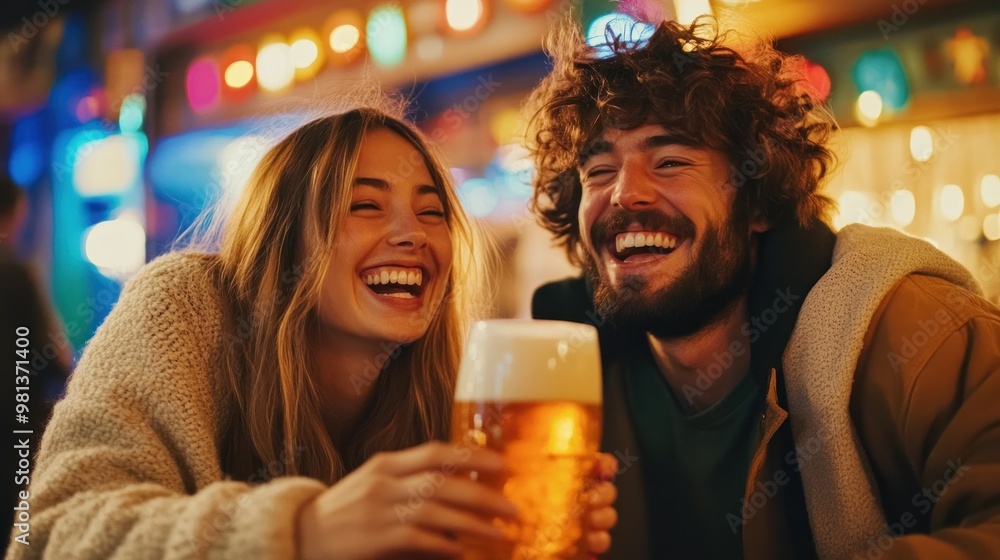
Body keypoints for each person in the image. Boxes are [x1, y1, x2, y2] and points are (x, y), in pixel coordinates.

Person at [5, 107, 618, 559]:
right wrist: (305, 530)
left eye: (432, 211)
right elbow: (53, 534)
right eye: (365, 205)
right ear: (283, 236)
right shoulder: (189, 304)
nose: (414, 234)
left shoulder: (447, 390)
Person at [525, 18, 1000, 560]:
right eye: (599, 171)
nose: (625, 193)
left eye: (671, 161)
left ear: (756, 202)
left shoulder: (909, 330)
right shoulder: (559, 368)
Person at [1, 175, 70, 558]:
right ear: (15, 212)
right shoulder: (17, 274)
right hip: (15, 424)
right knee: (16, 527)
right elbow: (51, 358)